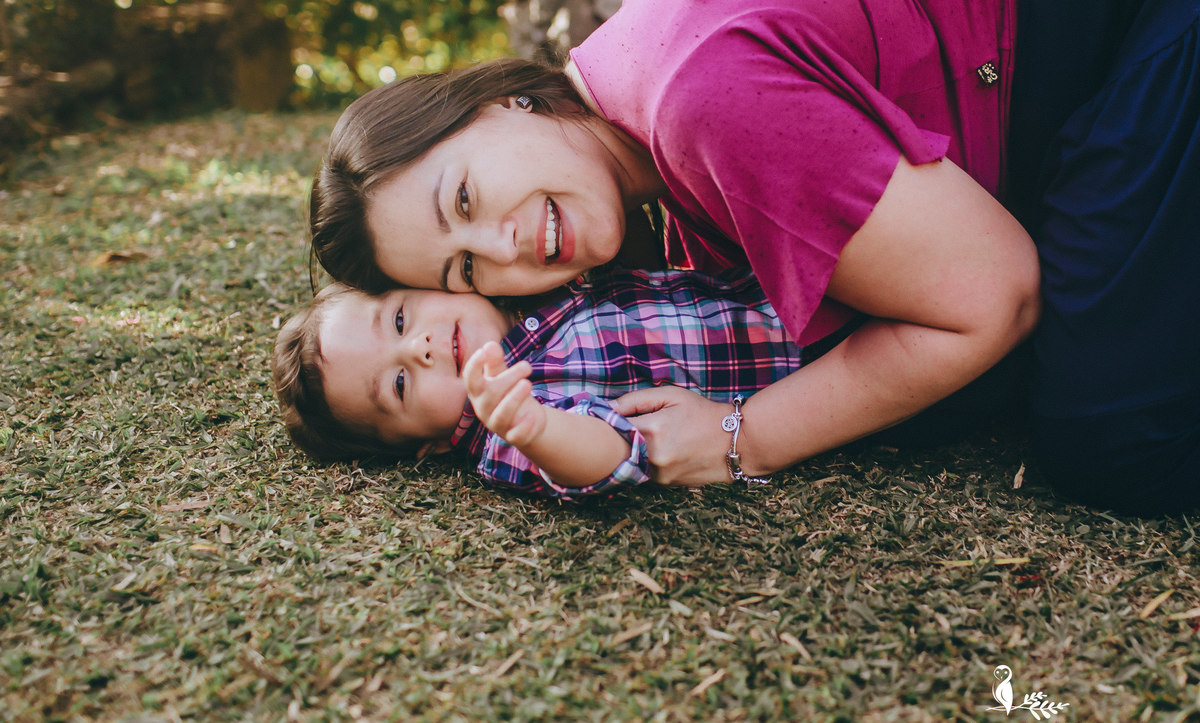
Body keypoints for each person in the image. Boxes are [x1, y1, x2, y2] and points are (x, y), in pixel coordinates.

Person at [309, 0, 1200, 514]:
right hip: (1044, 111)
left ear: (500, 103)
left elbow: (994, 294)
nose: (503, 248)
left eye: (463, 199)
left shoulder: (700, 106)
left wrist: (742, 437)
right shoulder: (632, 162)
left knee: (1115, 439)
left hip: (1118, 41)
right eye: (464, 272)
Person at [273, 267, 815, 498]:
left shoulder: (527, 285)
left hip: (789, 289)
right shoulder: (504, 430)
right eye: (398, 384)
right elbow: (611, 454)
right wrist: (535, 428)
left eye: (398, 321)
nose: (420, 347)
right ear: (430, 445)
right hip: (813, 370)